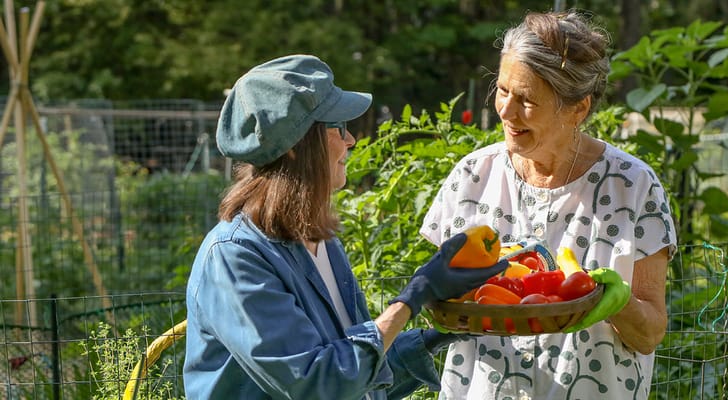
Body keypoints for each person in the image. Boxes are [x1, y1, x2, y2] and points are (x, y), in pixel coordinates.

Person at [183, 54, 507, 399]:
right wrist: (410, 300)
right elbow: (319, 383)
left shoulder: (319, 240)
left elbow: (355, 372)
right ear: (297, 147)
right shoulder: (234, 258)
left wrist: (438, 335)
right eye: (337, 127)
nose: (350, 139)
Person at [419, 10, 676, 399]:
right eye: (503, 90)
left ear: (578, 109)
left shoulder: (633, 187)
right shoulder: (472, 177)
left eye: (526, 99)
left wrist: (616, 302)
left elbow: (650, 334)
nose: (505, 110)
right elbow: (445, 300)